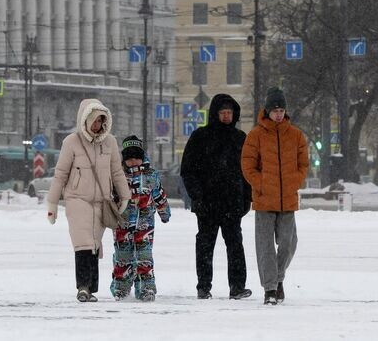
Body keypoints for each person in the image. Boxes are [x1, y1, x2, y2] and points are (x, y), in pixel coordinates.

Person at [46, 98, 130, 302]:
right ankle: (82, 287)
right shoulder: (71, 142)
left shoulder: (109, 142)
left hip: (102, 201)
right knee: (82, 243)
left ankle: (90, 288)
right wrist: (52, 203)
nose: (97, 125)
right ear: (85, 120)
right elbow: (60, 174)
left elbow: (117, 172)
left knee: (94, 243)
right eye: (94, 121)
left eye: (101, 121)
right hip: (77, 199)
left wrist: (125, 195)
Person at [180, 92, 252, 300]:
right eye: (223, 112)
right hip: (207, 203)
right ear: (215, 113)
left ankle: (237, 287)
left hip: (232, 202)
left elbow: (247, 171)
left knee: (235, 244)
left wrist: (247, 197)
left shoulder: (240, 139)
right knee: (205, 245)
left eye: (230, 112)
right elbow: (188, 170)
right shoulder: (200, 137)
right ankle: (203, 286)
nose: (227, 116)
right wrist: (197, 196)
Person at [241, 88, 309, 306]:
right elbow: (248, 165)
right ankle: (270, 288)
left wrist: (294, 182)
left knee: (289, 244)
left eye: (281, 110)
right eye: (275, 110)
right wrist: (261, 183)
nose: (278, 114)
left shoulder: (296, 135)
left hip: (287, 198)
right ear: (267, 111)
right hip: (264, 199)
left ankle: (278, 278)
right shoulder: (256, 135)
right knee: (265, 247)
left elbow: (303, 165)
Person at [110, 135, 171, 301]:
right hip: (122, 224)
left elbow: (159, 195)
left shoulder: (151, 175)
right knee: (123, 258)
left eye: (137, 157)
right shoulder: (118, 175)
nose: (133, 162)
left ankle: (146, 288)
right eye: (129, 159)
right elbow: (110, 197)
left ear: (142, 157)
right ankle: (121, 288)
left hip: (145, 225)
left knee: (144, 258)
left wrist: (164, 212)